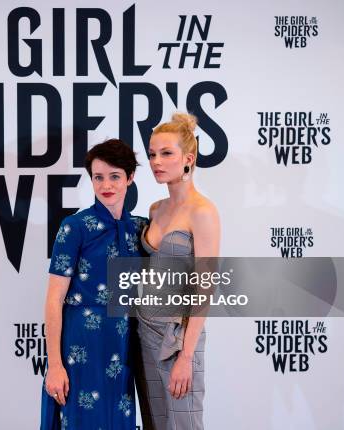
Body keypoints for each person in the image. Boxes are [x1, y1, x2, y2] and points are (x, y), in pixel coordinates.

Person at [40, 139, 147, 430]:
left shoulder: (140, 228)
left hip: (124, 347)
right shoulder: (74, 226)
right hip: (81, 348)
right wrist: (55, 365)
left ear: (130, 178)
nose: (106, 185)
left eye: (114, 176)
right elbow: (53, 299)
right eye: (98, 177)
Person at [136, 113, 220, 430]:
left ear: (189, 158)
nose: (157, 161)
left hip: (179, 339)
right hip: (144, 331)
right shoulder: (156, 209)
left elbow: (205, 287)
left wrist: (186, 356)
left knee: (185, 425)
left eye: (166, 153)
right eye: (153, 153)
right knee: (154, 424)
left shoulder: (203, 212)